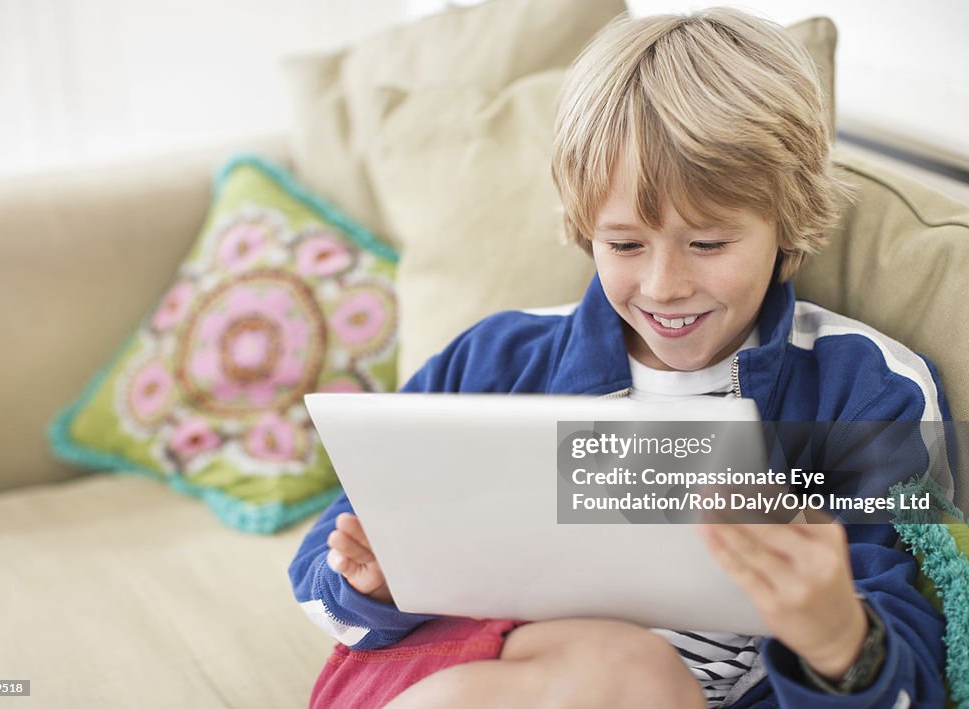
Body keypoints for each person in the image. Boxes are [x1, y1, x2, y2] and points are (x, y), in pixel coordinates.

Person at [290, 8, 954, 707]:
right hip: (462, 670)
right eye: (626, 245)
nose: (665, 285)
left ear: (786, 222)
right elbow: (321, 571)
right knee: (626, 666)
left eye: (708, 244)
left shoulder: (866, 392)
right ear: (585, 230)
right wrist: (376, 583)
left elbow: (919, 664)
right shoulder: (496, 359)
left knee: (635, 672)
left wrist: (839, 639)